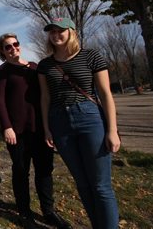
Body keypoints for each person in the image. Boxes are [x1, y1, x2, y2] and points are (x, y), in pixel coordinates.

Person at [37, 17, 120, 229]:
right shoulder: (45, 65)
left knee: (100, 186)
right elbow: (45, 98)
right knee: (82, 184)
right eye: (52, 32)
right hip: (59, 122)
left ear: (71, 31)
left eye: (60, 31)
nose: (55, 35)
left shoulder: (90, 56)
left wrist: (112, 130)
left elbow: (105, 93)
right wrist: (47, 128)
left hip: (89, 118)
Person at [0, 33, 72, 229]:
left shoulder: (36, 68)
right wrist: (7, 127)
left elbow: (48, 95)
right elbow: (0, 103)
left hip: (41, 129)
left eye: (15, 44)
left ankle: (48, 211)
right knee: (21, 171)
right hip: (17, 132)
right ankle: (24, 213)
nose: (13, 49)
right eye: (7, 47)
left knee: (45, 171)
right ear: (2, 51)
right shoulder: (2, 72)